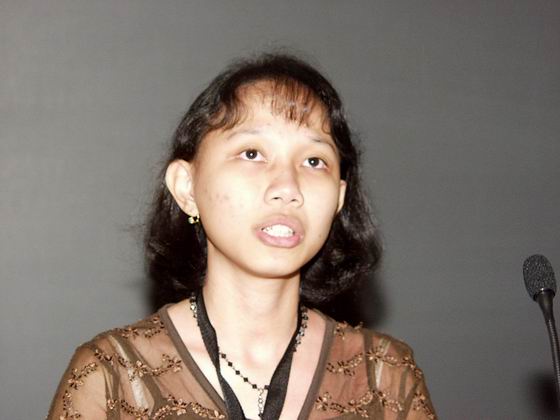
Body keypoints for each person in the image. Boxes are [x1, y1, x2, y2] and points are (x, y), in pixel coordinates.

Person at [47, 53, 436, 419]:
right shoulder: (112, 377)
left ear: (338, 198)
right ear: (186, 187)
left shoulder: (385, 377)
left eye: (314, 160)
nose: (287, 187)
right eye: (252, 153)